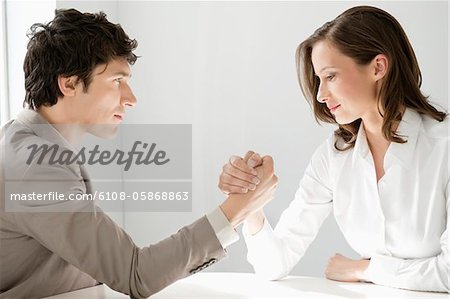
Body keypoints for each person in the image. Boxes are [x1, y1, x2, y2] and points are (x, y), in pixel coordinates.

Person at [0, 9, 278, 298]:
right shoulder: (33, 167)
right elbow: (136, 274)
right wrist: (236, 210)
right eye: (117, 81)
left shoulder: (33, 148)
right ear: (69, 83)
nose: (131, 99)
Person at [218, 5, 449, 293]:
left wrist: (363, 268)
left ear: (378, 67)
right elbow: (273, 264)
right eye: (318, 79)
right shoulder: (335, 156)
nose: (320, 94)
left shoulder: (444, 147)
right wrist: (251, 202)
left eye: (331, 77)